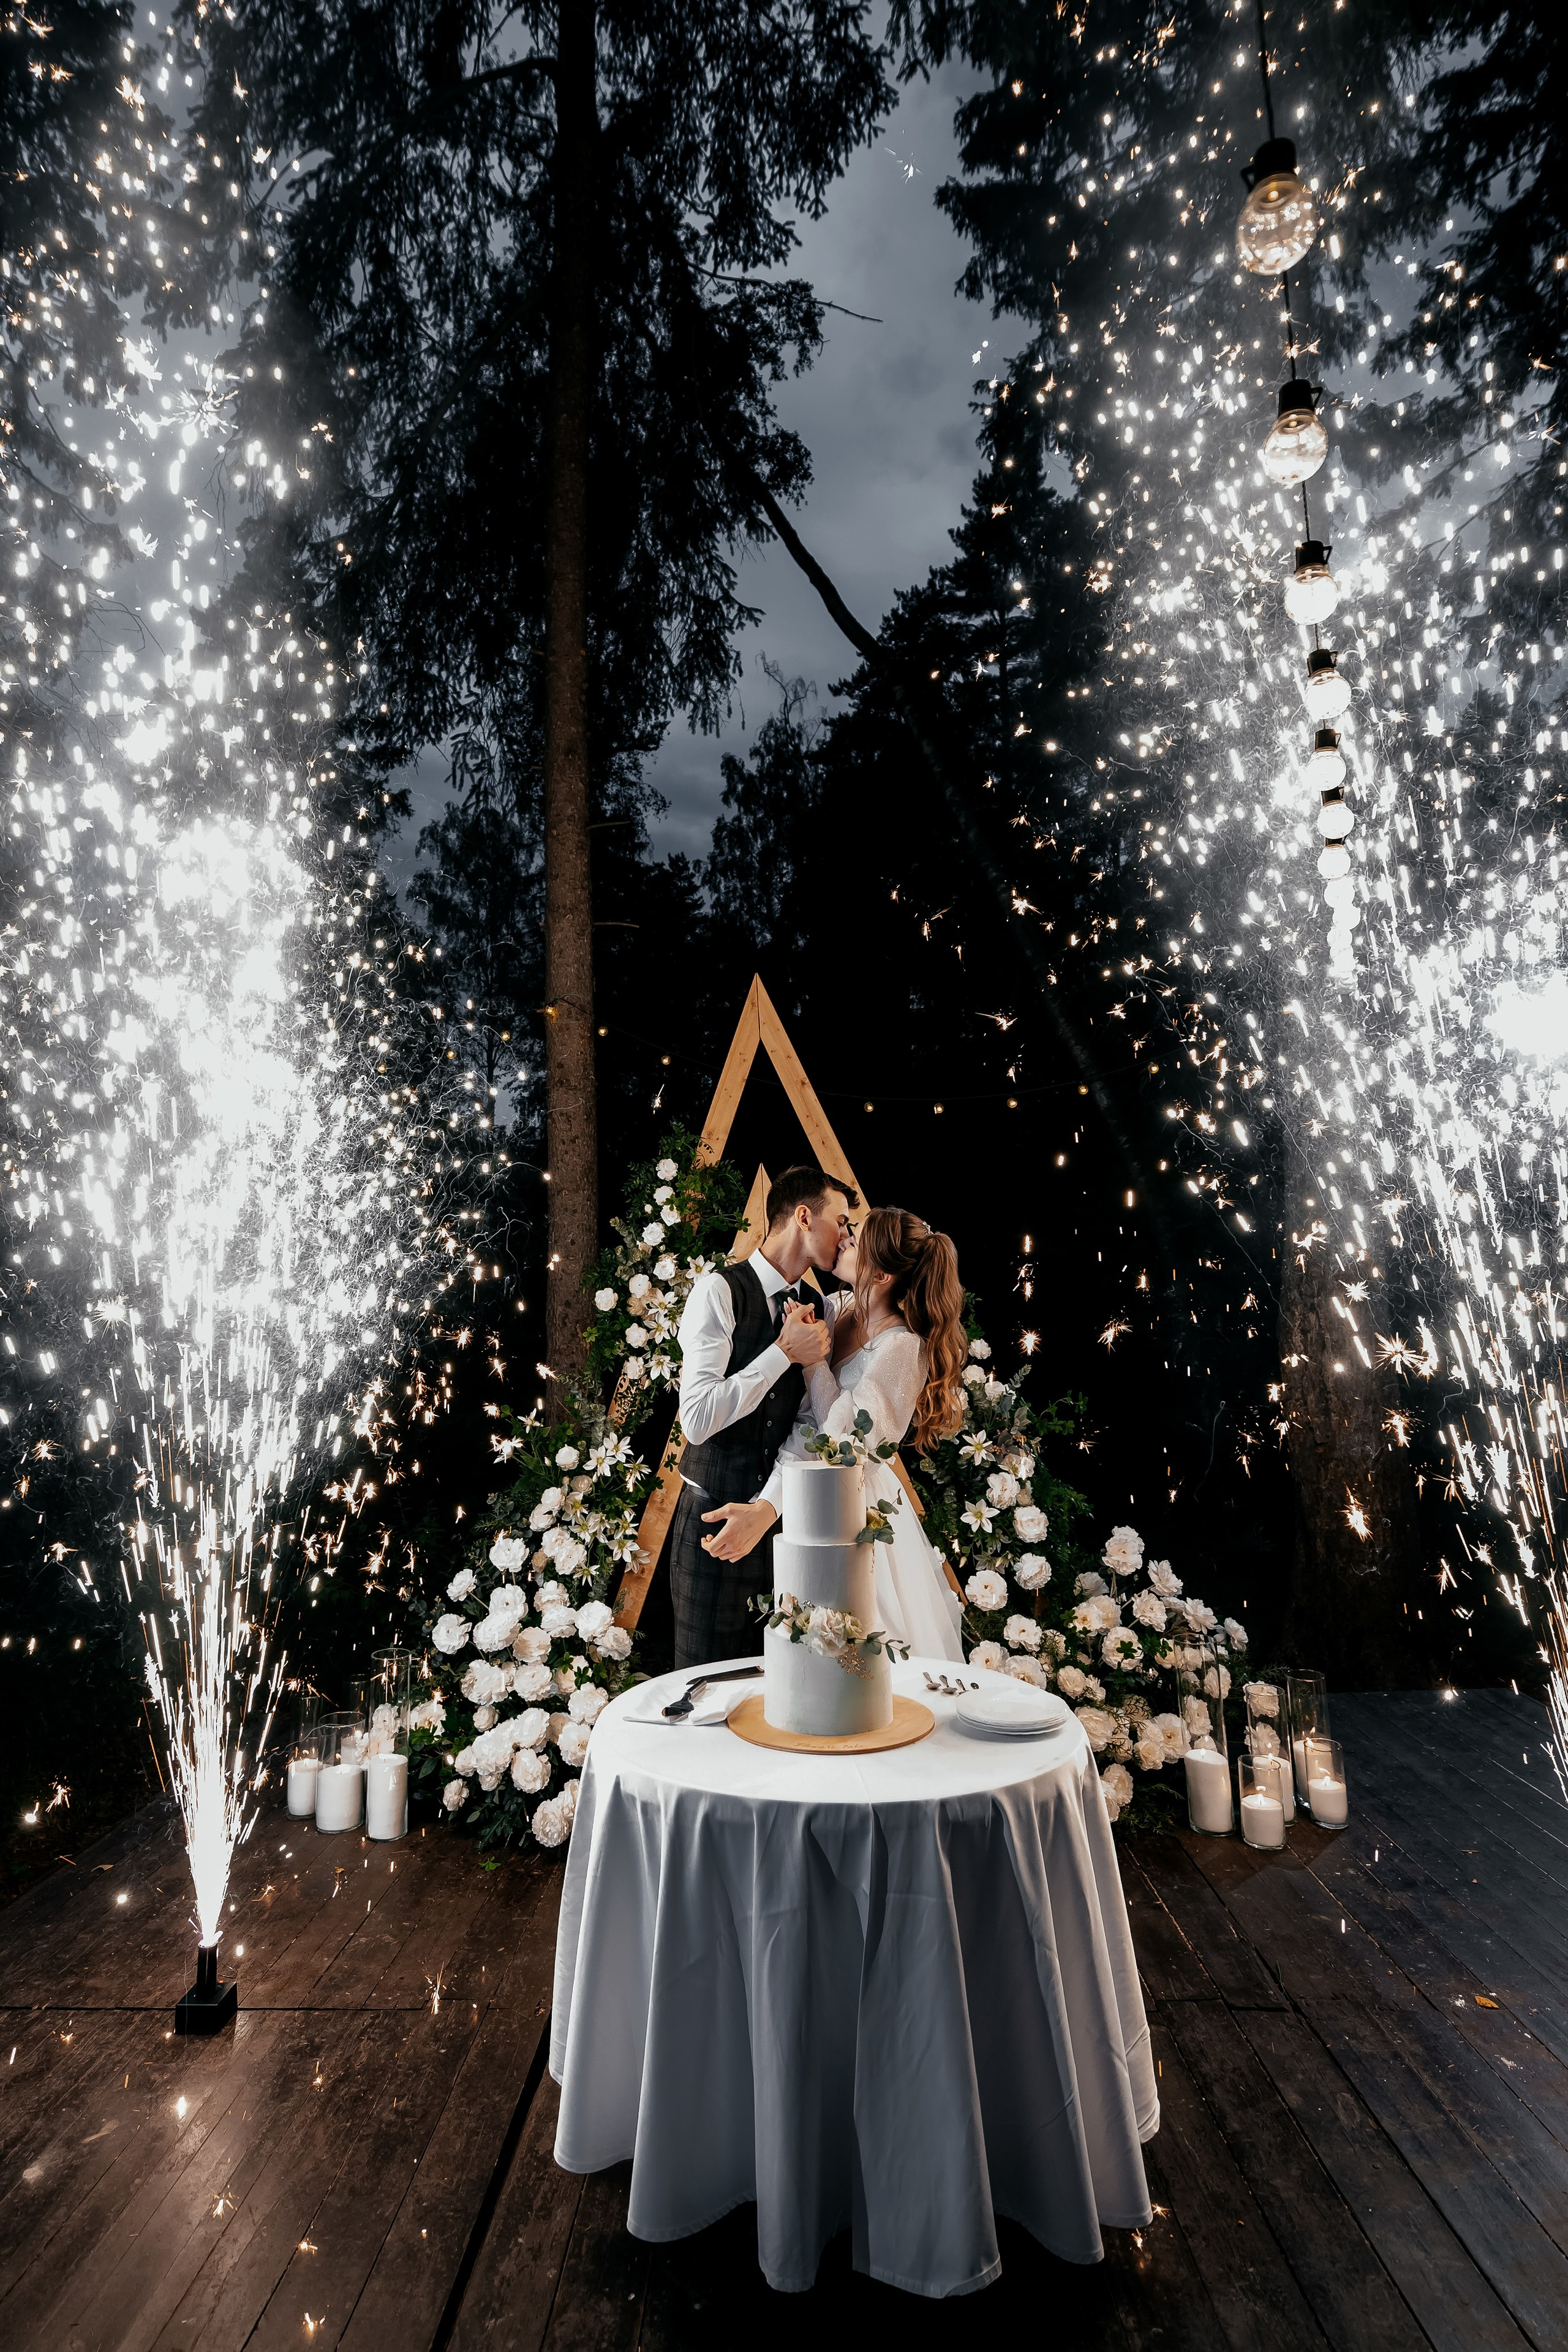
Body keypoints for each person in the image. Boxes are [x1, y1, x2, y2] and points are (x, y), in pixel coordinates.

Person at [699, 1205, 968, 1662]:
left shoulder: (902, 1346)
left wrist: (813, 1361)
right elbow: (808, 1423)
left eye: (856, 1241)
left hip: (859, 1509)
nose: (843, 1240)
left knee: (861, 1647)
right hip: (810, 1495)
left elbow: (846, 1442)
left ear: (881, 1274)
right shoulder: (840, 1309)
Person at [669, 1165, 856, 1670]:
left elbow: (809, 1425)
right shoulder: (719, 1291)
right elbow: (698, 1418)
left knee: (779, 1691)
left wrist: (768, 1509)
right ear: (803, 1217)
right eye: (840, 1221)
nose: (846, 1236)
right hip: (713, 1531)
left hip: (782, 1533)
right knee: (704, 1695)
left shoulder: (819, 1305)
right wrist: (781, 1352)